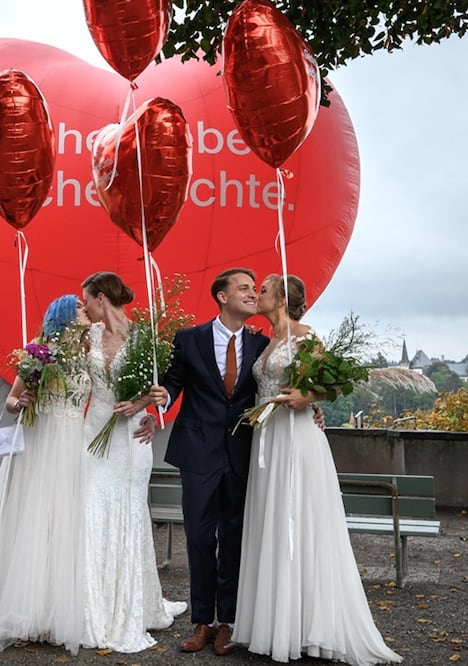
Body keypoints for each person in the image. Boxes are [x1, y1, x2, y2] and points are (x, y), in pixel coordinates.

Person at [230, 274, 402, 665]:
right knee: (272, 522)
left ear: (282, 299)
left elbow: (329, 385)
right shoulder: (268, 341)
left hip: (295, 438)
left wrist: (307, 396)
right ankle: (275, 623)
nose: (258, 296)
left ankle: (308, 624)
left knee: (299, 521)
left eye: (265, 291)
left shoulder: (306, 337)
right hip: (267, 440)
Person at [148, 267, 270, 656]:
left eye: (255, 289)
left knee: (234, 537)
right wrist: (162, 399)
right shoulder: (189, 338)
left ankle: (228, 622)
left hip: (242, 453)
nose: (253, 294)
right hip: (197, 451)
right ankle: (201, 621)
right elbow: (173, 382)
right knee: (200, 538)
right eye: (245, 288)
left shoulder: (261, 343)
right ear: (222, 296)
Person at [0, 294, 92, 655]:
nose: (87, 312)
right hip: (42, 441)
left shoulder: (86, 352)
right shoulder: (39, 351)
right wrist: (20, 402)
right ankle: (24, 609)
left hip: (72, 441)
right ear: (66, 315)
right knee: (35, 517)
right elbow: (11, 398)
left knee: (64, 520)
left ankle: (57, 610)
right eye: (82, 308)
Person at [79, 271, 186, 653]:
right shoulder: (86, 336)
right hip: (93, 434)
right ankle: (93, 606)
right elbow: (77, 383)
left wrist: (143, 407)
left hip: (131, 435)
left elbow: (161, 390)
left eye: (87, 299)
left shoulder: (146, 337)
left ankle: (130, 605)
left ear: (102, 297)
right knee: (90, 510)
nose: (85, 306)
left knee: (128, 513)